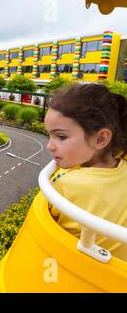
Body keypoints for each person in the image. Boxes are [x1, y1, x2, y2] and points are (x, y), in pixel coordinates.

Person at [44, 83, 127, 261]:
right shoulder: (124, 169)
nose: (49, 146)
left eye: (61, 136)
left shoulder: (66, 185)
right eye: (49, 135)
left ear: (100, 139)